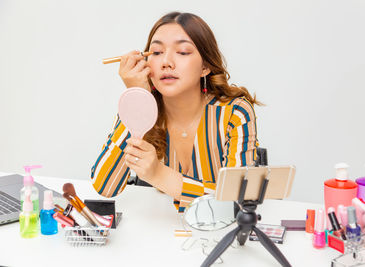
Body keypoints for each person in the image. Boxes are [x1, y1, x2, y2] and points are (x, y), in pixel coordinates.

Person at [91, 11, 260, 212]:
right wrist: (137, 97)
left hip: (217, 236)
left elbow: (238, 202)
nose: (166, 62)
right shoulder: (140, 109)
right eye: (156, 52)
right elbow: (105, 187)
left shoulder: (234, 112)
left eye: (183, 52)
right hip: (160, 234)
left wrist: (158, 174)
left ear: (205, 66)